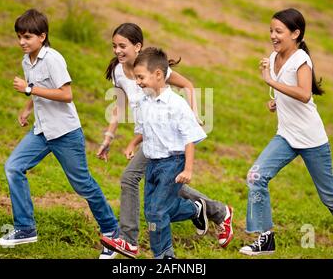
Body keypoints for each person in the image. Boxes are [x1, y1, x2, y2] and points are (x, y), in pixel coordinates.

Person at [238, 8, 333, 259]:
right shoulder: (274, 55)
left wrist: (270, 81)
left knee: (329, 196)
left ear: (295, 33)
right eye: (271, 30)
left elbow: (304, 93)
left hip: (312, 140)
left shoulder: (301, 59)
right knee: (256, 176)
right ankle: (265, 238)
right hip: (286, 136)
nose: (273, 36)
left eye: (279, 31)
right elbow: (290, 93)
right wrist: (276, 101)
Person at [96, 23, 233, 258]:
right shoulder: (119, 72)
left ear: (137, 47)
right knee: (170, 187)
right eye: (114, 46)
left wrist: (194, 115)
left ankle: (129, 240)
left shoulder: (154, 68)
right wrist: (109, 137)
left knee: (132, 180)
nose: (117, 51)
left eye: (122, 46)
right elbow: (119, 107)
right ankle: (215, 211)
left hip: (168, 140)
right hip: (150, 137)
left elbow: (188, 86)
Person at [0, 9, 119, 259]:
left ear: (42, 36)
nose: (22, 42)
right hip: (41, 131)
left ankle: (113, 234)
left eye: (27, 37)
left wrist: (29, 90)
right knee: (13, 167)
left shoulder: (53, 59)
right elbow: (40, 90)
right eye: (19, 36)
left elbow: (66, 94)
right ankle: (25, 228)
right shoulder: (26, 60)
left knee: (82, 185)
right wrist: (27, 108)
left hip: (65, 133)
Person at [103, 47, 208, 259]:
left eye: (141, 77)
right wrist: (132, 144)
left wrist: (188, 168)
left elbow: (189, 137)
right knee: (152, 210)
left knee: (156, 212)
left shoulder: (176, 105)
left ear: (158, 75)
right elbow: (144, 130)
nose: (138, 82)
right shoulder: (144, 101)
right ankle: (194, 209)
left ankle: (164, 255)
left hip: (173, 162)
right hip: (152, 163)